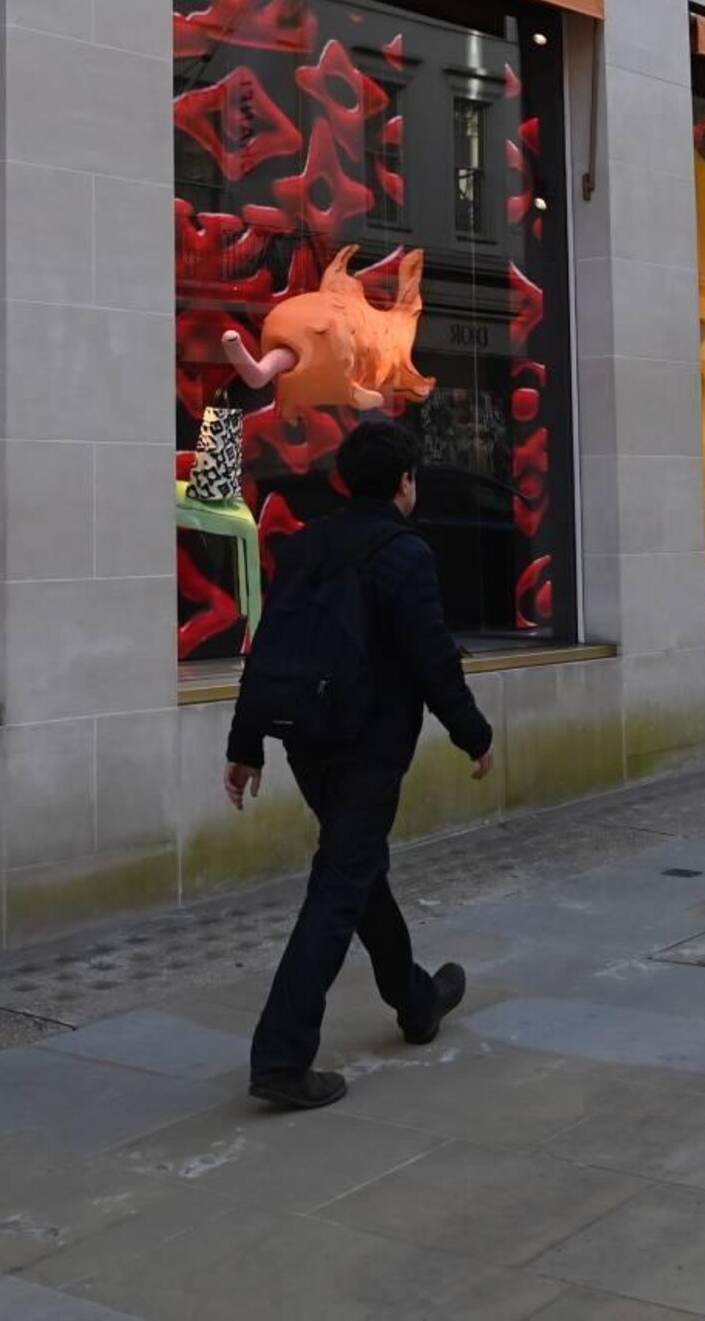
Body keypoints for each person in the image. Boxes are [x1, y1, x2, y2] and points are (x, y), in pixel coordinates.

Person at [224, 417, 495, 1110]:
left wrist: (246, 743)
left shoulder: (308, 543)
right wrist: (475, 734)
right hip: (368, 747)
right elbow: (432, 657)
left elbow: (268, 642)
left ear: (346, 479)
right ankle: (281, 1057)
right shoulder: (405, 553)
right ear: (406, 484)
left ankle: (416, 999)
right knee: (341, 884)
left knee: (358, 869)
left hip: (306, 739)